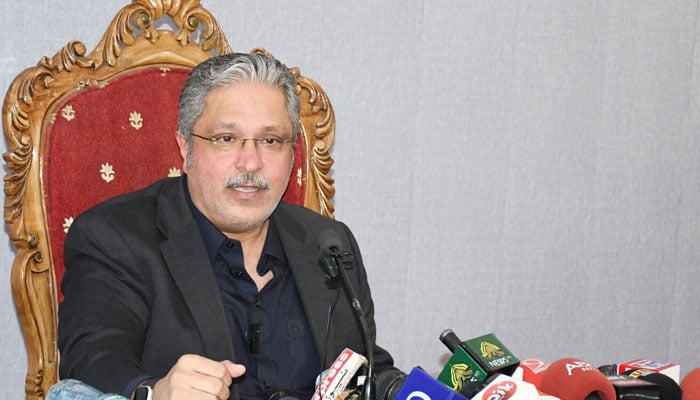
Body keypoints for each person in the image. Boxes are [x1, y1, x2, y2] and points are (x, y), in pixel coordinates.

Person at [57, 52, 406, 400]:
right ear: (185, 147)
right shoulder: (116, 237)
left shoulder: (327, 243)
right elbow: (92, 357)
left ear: (292, 153)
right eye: (226, 138)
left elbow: (364, 367)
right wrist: (153, 391)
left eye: (270, 140)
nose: (251, 162)